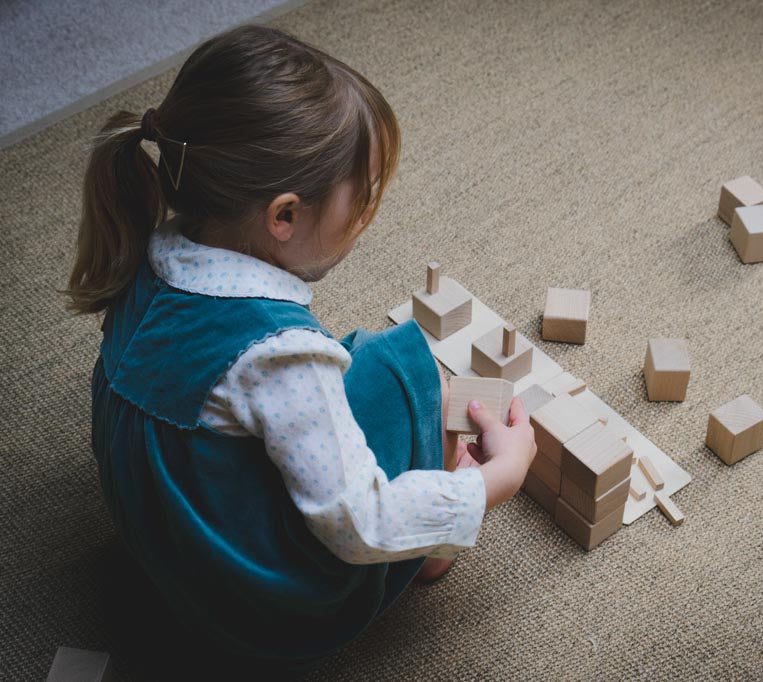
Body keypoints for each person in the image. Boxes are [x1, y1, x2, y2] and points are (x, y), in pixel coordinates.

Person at [63, 24, 536, 678]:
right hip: (255, 606)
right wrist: (487, 486)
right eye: (361, 202)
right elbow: (359, 523)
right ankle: (429, 554)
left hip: (161, 528)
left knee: (358, 372)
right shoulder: (284, 355)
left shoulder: (151, 243)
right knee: (404, 366)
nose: (365, 221)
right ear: (283, 216)